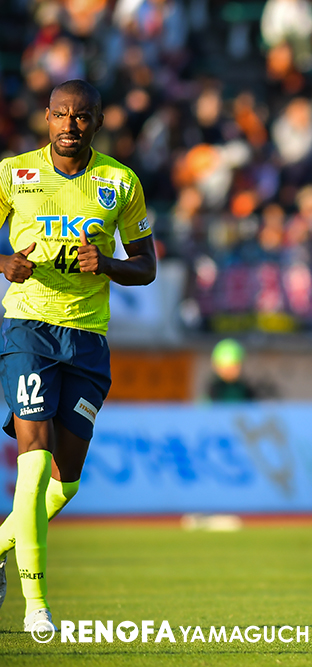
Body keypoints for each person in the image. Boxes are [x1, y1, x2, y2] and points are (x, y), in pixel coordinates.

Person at [0, 80, 156, 634]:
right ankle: (36, 605)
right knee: (34, 460)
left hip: (88, 338)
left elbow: (147, 266)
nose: (70, 125)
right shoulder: (13, 172)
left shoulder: (120, 182)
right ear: (46, 118)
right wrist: (3, 263)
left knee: (66, 483)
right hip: (29, 328)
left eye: (82, 116)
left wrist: (108, 263)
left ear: (98, 121)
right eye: (61, 115)